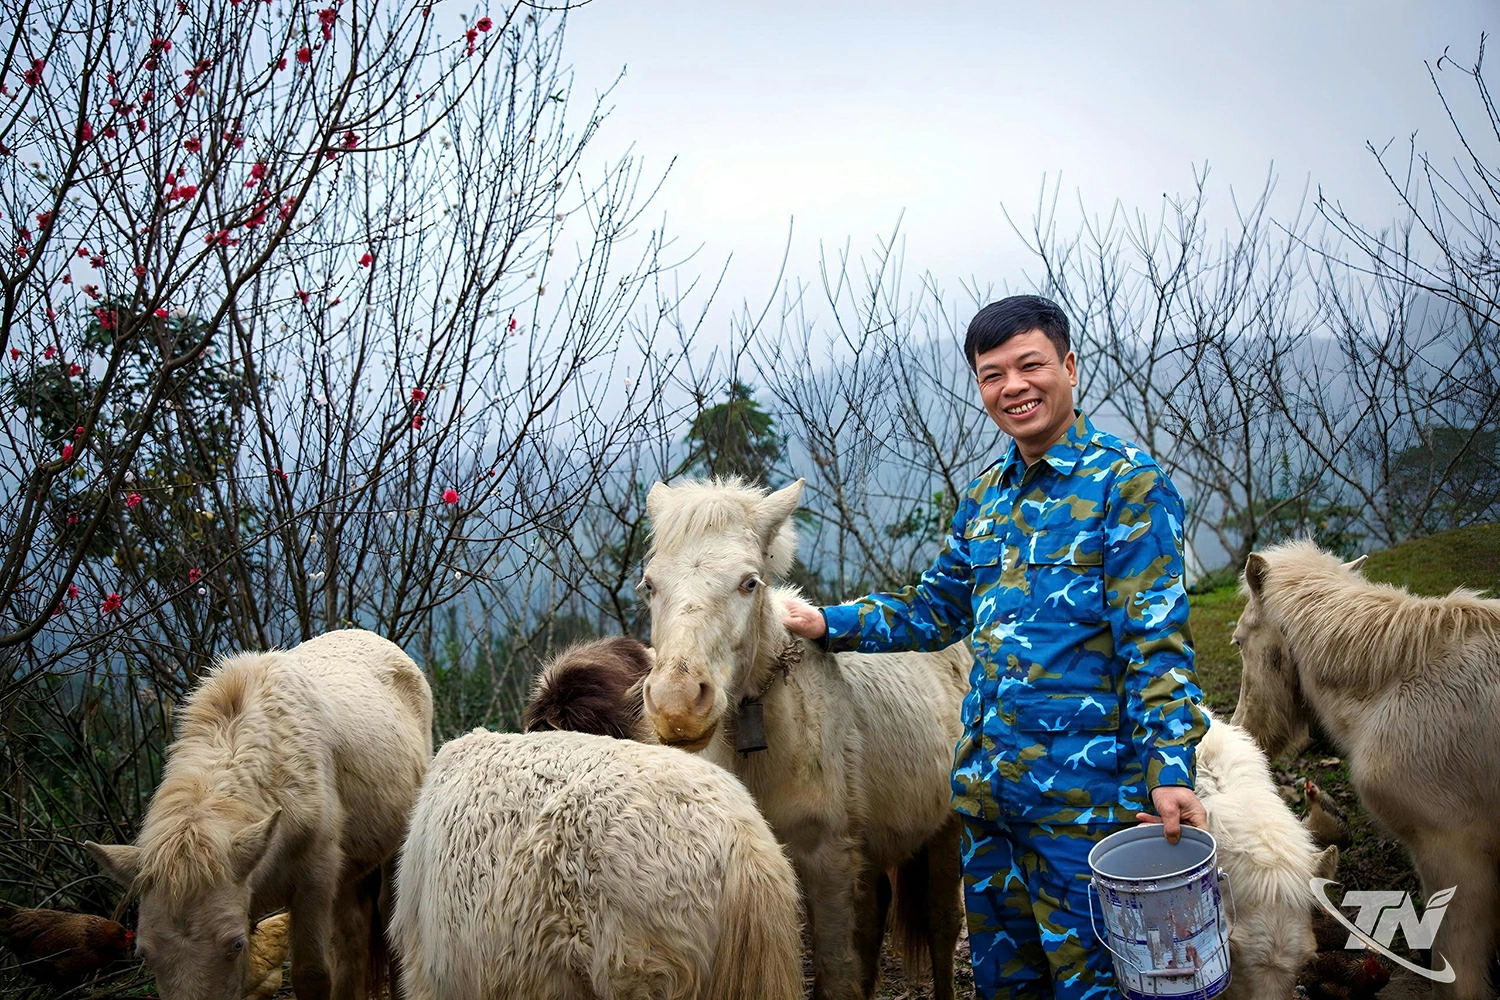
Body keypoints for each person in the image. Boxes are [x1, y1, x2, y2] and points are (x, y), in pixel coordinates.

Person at [782, 294, 1209, 1000]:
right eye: (991, 374)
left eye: (1029, 365)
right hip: (990, 809)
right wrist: (828, 623)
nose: (1013, 387)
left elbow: (1155, 642)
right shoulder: (985, 499)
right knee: (1005, 988)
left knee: (1099, 987)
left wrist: (1170, 770)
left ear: (1069, 368)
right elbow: (932, 610)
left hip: (1089, 812)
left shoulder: (1125, 485)